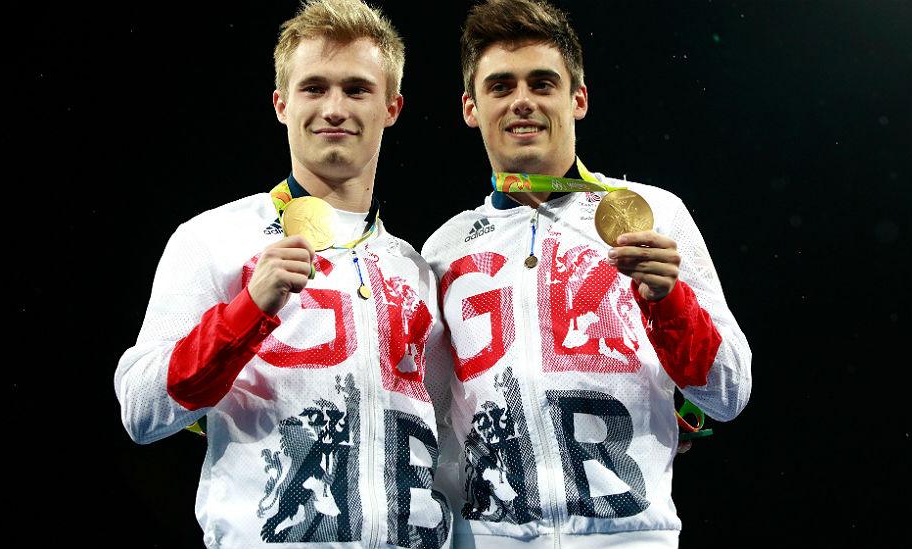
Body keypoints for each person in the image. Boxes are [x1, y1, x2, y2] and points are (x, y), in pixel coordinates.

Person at [114, 1, 451, 547]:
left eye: (357, 89)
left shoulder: (413, 269)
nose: (335, 108)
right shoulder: (213, 239)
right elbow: (141, 410)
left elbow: (446, 439)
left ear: (392, 107)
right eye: (314, 88)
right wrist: (246, 312)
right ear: (281, 104)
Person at [421, 1, 752, 547]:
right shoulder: (443, 249)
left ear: (578, 99)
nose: (522, 100)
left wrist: (670, 305)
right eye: (500, 86)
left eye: (542, 83)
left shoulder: (654, 213)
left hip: (631, 537)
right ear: (470, 108)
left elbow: (728, 392)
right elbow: (428, 418)